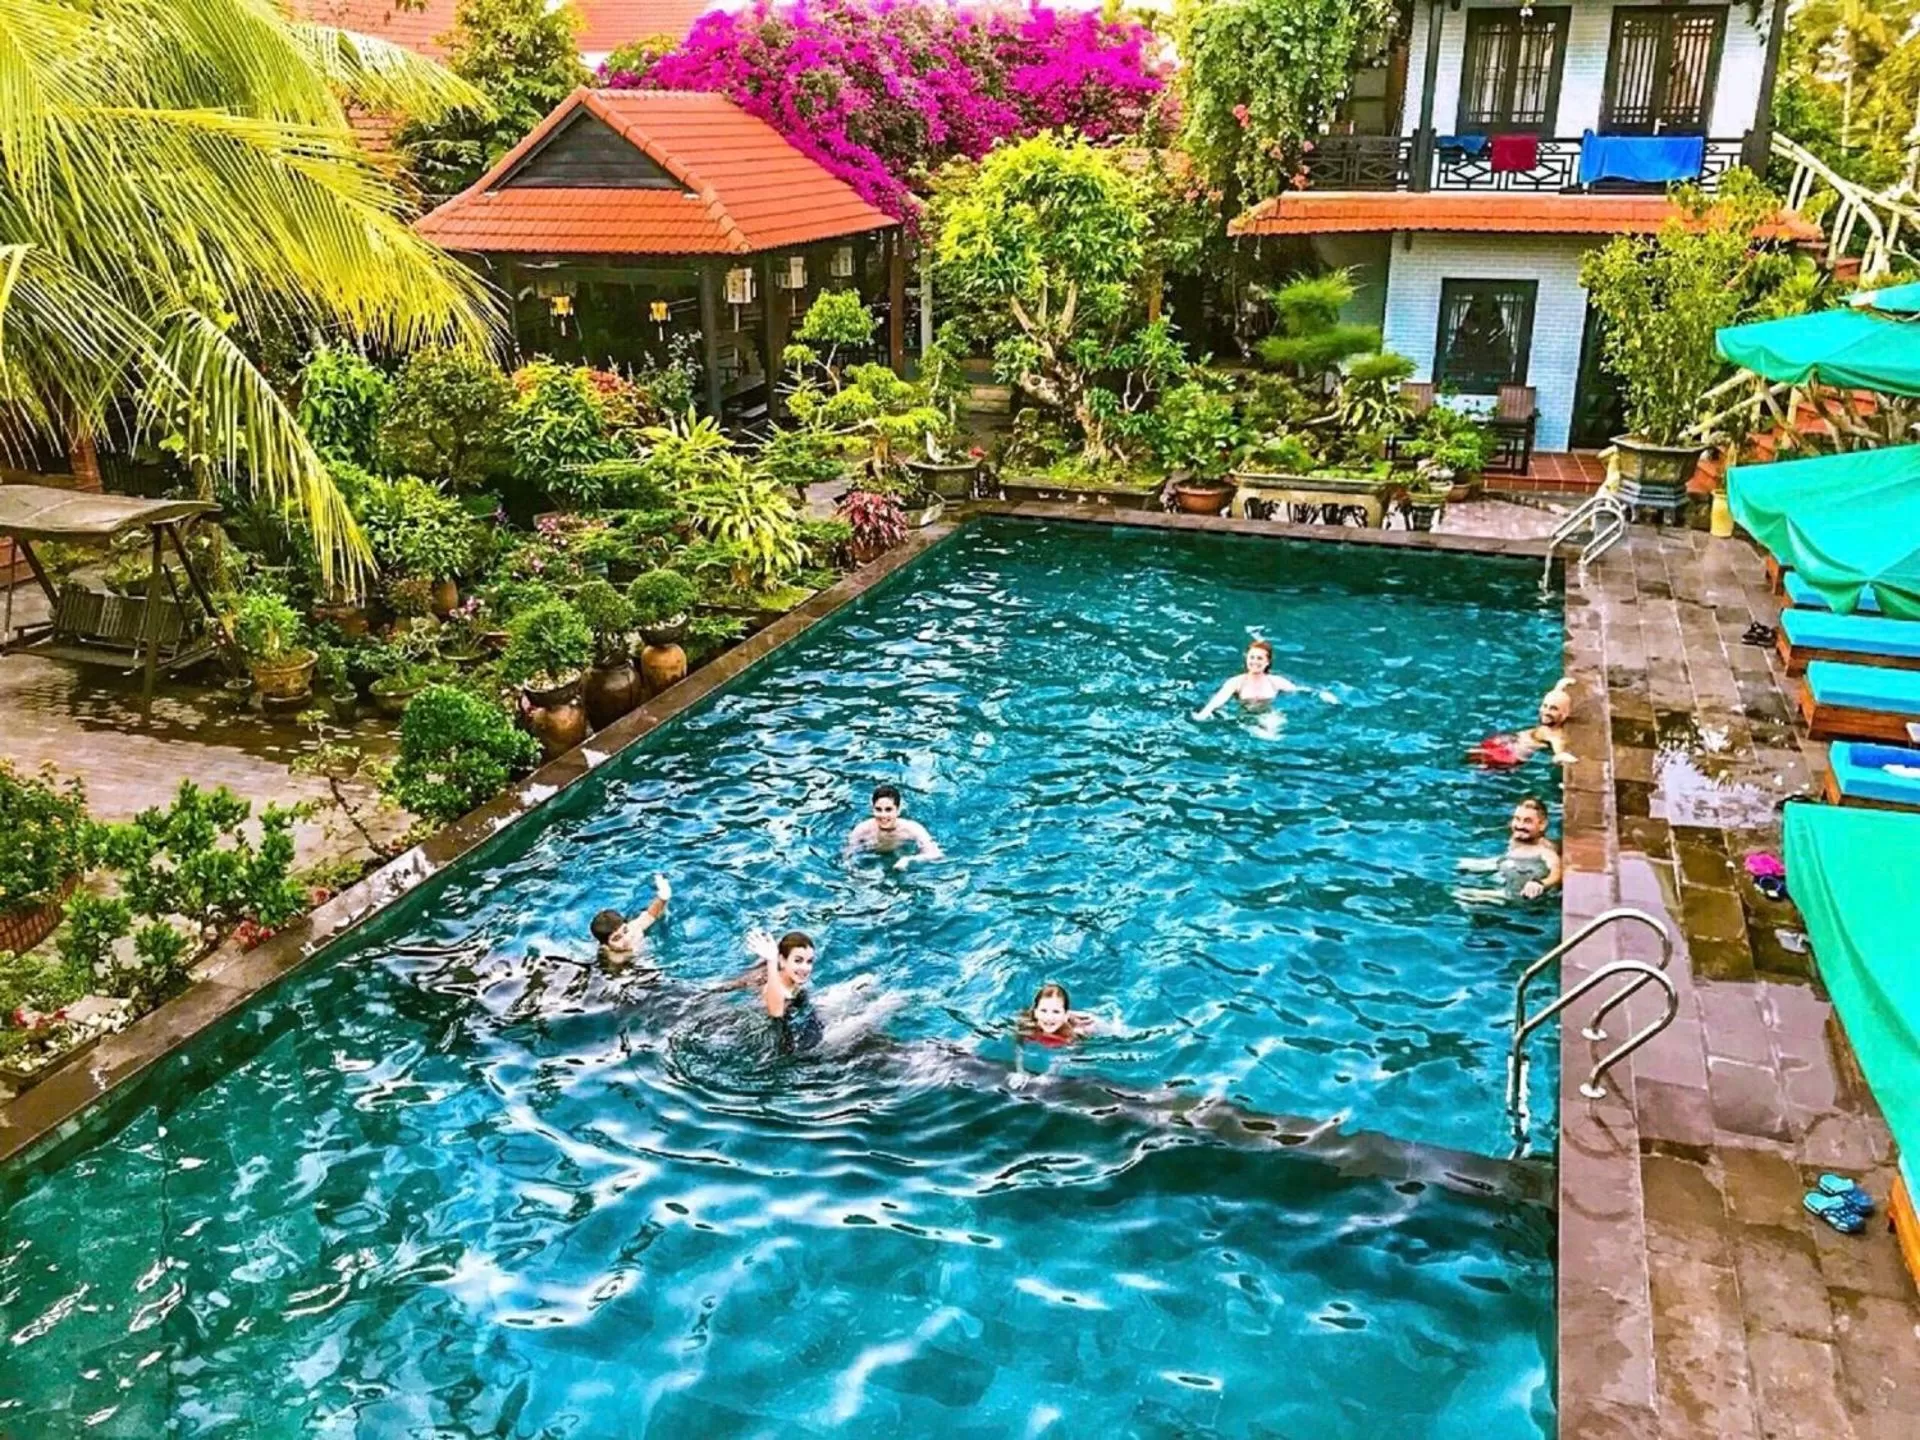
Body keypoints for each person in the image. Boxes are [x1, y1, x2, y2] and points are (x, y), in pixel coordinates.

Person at [1194, 639, 1337, 719]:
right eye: (1252, 657)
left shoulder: (1275, 681)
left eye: (1260, 658)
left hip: (1269, 713)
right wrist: (1205, 712)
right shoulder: (1236, 682)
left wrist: (1322, 694)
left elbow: (1299, 690)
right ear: (1246, 659)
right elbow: (1220, 698)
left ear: (1267, 662)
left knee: (1272, 735)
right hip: (1245, 715)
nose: (1255, 662)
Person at [1456, 797, 1563, 902]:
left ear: (1542, 825)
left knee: (1461, 896)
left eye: (1527, 821)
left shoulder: (1545, 851)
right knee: (1460, 864)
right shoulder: (1518, 837)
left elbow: (1556, 873)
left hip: (1518, 891)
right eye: (1517, 819)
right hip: (1506, 865)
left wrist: (1540, 883)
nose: (1520, 825)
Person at [744, 928, 824, 1054]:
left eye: (809, 962)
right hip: (779, 1047)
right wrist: (771, 960)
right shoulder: (775, 988)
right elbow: (776, 1012)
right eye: (798, 961)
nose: (805, 968)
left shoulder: (790, 980)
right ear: (782, 960)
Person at [1467, 681, 1577, 768]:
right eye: (1545, 706)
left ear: (1564, 715)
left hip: (1510, 756)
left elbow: (1558, 755)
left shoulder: (1555, 736)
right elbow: (1554, 700)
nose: (1546, 711)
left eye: (1553, 709)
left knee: (1477, 771)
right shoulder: (1550, 721)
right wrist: (1559, 687)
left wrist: (1563, 758)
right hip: (1508, 741)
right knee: (1468, 757)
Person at [846, 783, 944, 864]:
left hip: (901, 854)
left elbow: (936, 854)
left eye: (888, 810)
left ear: (898, 810)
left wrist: (909, 860)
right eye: (878, 809)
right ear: (872, 809)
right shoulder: (862, 830)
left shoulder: (913, 829)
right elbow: (848, 856)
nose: (883, 815)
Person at [590, 874, 672, 967]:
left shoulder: (634, 928)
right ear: (606, 945)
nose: (626, 939)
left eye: (625, 931)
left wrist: (663, 893)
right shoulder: (612, 957)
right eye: (617, 938)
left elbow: (651, 914)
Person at [1016, 982, 1097, 1049]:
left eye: (1056, 1012)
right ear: (1035, 1012)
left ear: (1066, 1015)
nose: (1049, 1018)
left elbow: (1066, 1058)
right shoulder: (1026, 1026)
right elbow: (1019, 1048)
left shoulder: (1073, 1035)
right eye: (1043, 1010)